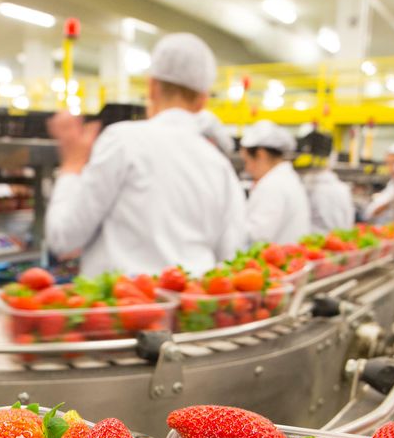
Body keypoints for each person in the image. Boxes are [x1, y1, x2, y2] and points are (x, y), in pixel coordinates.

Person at [46, 33, 248, 276]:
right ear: (203, 101)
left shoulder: (122, 141)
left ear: (151, 87)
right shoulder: (219, 165)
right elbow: (231, 255)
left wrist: (72, 165)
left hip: (122, 309)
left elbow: (64, 237)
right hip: (191, 307)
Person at [240, 120, 311, 244]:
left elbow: (256, 236)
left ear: (260, 154)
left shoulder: (272, 186)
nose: (247, 169)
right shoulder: (286, 179)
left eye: (246, 161)